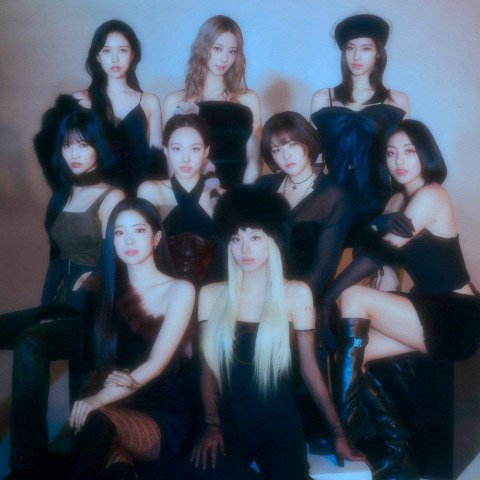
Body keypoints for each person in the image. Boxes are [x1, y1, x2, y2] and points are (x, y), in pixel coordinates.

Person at [325, 120, 480, 479]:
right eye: (391, 153)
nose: (399, 161)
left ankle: (348, 427)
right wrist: (375, 226)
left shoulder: (432, 194)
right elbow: (387, 269)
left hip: (457, 316)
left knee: (352, 295)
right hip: (427, 310)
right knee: (354, 356)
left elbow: (377, 252)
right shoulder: (396, 201)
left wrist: (329, 297)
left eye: (409, 151)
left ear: (425, 154)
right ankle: (398, 454)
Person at [191, 186, 362, 480]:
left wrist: (339, 433)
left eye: (255, 238)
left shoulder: (295, 293)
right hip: (229, 424)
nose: (245, 249)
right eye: (236, 239)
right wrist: (212, 425)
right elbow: (207, 370)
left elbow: (310, 370)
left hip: (280, 423)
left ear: (273, 240)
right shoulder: (211, 295)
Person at [0, 110, 124, 480]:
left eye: (83, 145)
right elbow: (56, 261)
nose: (75, 153)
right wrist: (46, 308)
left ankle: (26, 462)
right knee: (17, 330)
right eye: (68, 145)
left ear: (98, 148)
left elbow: (115, 265)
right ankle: (29, 449)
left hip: (96, 310)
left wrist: (87, 286)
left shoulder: (112, 196)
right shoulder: (60, 196)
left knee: (31, 343)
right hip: (60, 304)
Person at [68, 198, 195, 480]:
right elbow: (87, 360)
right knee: (107, 452)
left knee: (95, 420)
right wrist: (98, 392)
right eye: (119, 232)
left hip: (158, 409)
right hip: (112, 399)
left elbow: (156, 363)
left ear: (156, 237)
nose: (128, 240)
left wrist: (96, 399)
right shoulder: (101, 289)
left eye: (138, 230)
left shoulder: (180, 289)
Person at [310, 14, 409, 245]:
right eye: (350, 48)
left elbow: (402, 158)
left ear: (378, 53)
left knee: (377, 260)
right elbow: (315, 158)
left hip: (380, 203)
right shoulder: (323, 98)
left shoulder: (397, 101)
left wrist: (400, 204)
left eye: (365, 48)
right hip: (332, 201)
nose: (356, 56)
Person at [35, 19, 165, 194]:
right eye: (106, 50)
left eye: (123, 50)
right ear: (97, 56)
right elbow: (51, 149)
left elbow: (157, 162)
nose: (115, 58)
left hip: (138, 196)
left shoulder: (149, 102)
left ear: (133, 54)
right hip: (94, 195)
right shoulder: (80, 101)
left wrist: (150, 199)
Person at [256, 111, 351, 351]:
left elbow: (322, 271)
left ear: (307, 142)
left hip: (304, 299)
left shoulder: (333, 196)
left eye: (292, 145)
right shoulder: (264, 187)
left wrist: (282, 304)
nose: (286, 156)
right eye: (277, 150)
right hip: (258, 291)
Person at [164, 15, 261, 189]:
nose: (224, 58)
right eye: (217, 49)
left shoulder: (248, 99)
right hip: (193, 194)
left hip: (239, 193)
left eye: (232, 51)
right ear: (203, 47)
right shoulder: (175, 101)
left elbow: (254, 160)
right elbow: (171, 164)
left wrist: (242, 195)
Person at [138, 114, 223, 285]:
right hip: (162, 289)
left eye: (195, 149)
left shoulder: (220, 196)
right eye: (177, 149)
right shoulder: (150, 191)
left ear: (206, 151)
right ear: (166, 150)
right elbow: (141, 249)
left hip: (210, 290)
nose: (185, 158)